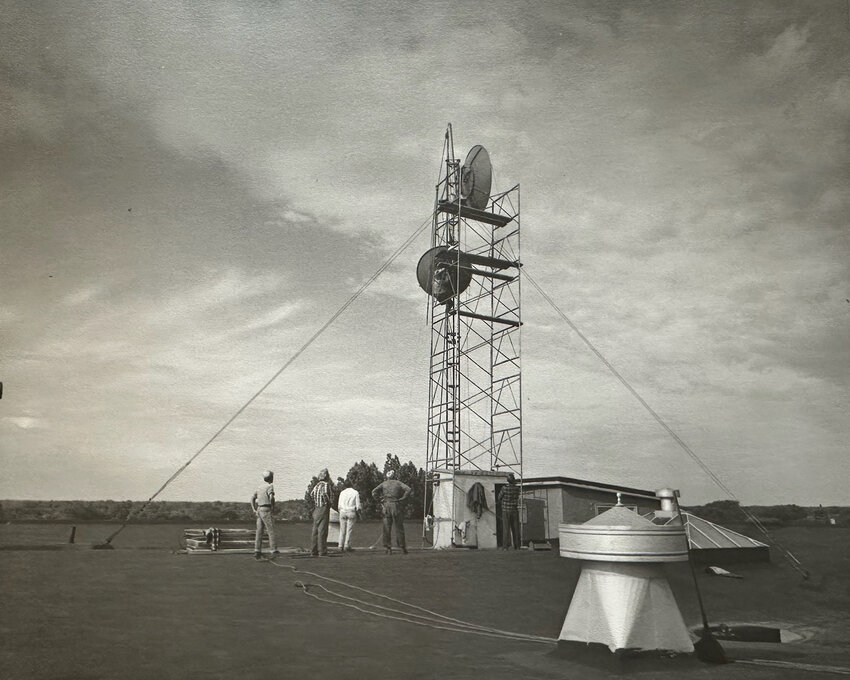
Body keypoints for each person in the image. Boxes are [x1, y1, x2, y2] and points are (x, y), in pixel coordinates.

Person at [371, 469, 411, 554]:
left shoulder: (383, 484)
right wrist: (403, 498)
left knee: (386, 528)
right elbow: (408, 489)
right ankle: (402, 547)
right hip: (396, 505)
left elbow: (373, 492)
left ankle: (388, 548)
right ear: (394, 475)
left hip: (386, 505)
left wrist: (380, 500)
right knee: (399, 527)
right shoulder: (398, 483)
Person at [250, 469, 277, 560]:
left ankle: (257, 550)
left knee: (259, 531)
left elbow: (252, 498)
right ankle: (273, 550)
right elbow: (271, 497)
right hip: (266, 509)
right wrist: (273, 506)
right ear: (270, 478)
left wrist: (254, 509)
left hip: (259, 509)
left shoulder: (259, 487)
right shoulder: (270, 486)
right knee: (271, 530)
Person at [309, 468, 334, 557]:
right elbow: (325, 494)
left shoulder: (316, 486)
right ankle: (322, 551)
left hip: (316, 508)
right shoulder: (326, 485)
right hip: (323, 508)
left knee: (315, 530)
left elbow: (311, 494)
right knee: (322, 530)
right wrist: (329, 502)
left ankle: (313, 551)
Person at [336, 479, 361, 552]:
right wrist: (359, 512)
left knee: (342, 529)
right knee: (349, 529)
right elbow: (358, 505)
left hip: (342, 511)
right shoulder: (355, 492)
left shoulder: (342, 493)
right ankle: (347, 545)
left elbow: (339, 504)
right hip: (351, 511)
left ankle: (340, 545)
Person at [497, 473, 521, 549]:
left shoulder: (504, 488)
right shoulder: (517, 488)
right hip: (514, 510)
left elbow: (499, 497)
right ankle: (517, 546)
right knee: (516, 528)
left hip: (505, 510)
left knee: (506, 528)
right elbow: (517, 497)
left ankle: (505, 546)